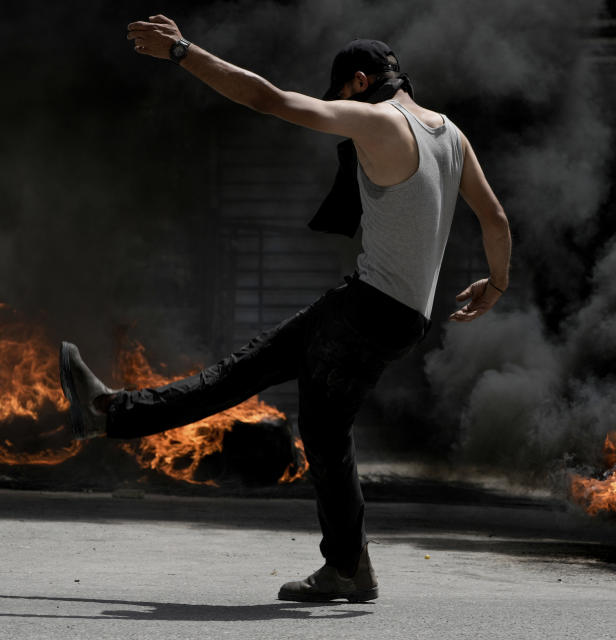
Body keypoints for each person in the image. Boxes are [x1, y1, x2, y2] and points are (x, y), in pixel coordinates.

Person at [59, 14, 511, 603]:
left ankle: (109, 414)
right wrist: (495, 286)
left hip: (366, 309)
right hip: (405, 320)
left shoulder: (376, 120)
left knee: (240, 375)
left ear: (357, 80)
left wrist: (183, 53)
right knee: (324, 433)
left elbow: (269, 99)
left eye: (339, 93)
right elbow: (495, 219)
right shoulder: (450, 134)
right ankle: (350, 568)